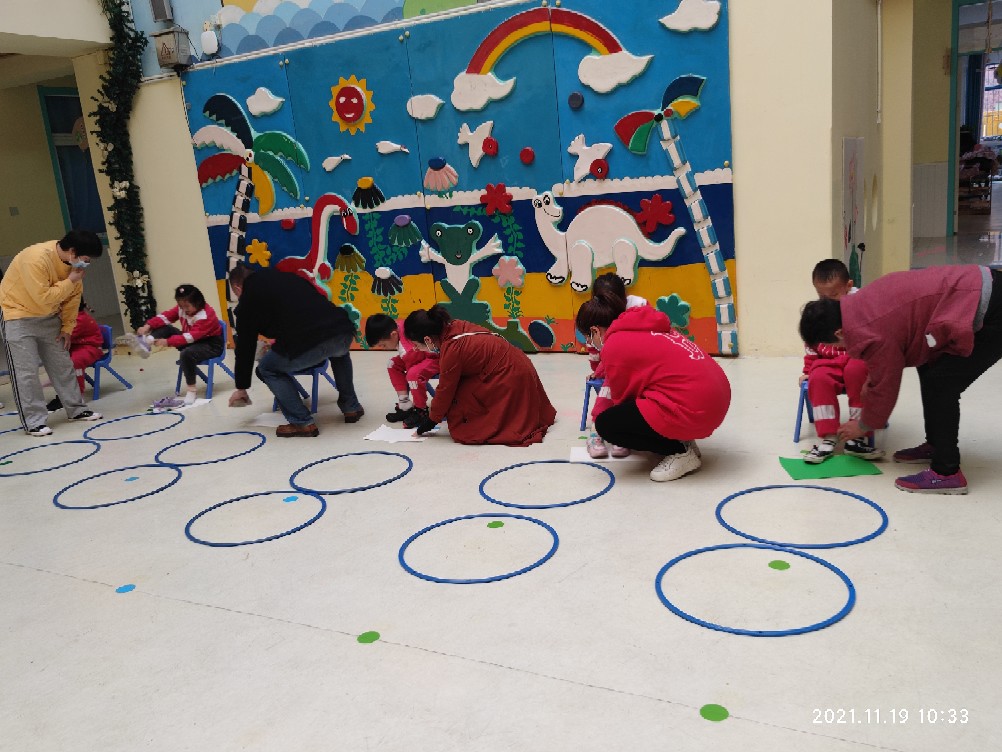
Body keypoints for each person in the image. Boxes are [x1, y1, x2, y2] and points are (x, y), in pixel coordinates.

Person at [798, 264, 1002, 495]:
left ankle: (947, 472)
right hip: (973, 291)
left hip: (990, 308)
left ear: (838, 333)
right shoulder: (857, 305)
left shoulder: (872, 331)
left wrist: (863, 425)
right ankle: (936, 445)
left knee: (941, 383)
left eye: (835, 345)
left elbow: (887, 384)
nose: (841, 348)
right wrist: (871, 381)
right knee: (929, 366)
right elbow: (888, 355)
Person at [576, 292, 731, 482]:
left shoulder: (613, 345)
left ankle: (679, 452)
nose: (591, 344)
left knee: (608, 425)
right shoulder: (646, 326)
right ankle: (682, 437)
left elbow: (623, 399)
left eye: (588, 338)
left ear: (595, 331)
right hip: (716, 397)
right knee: (649, 399)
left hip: (698, 409)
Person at [226, 263, 363, 437]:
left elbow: (245, 347)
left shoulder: (248, 298)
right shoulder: (288, 277)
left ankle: (301, 422)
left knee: (267, 368)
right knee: (339, 353)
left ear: (238, 287)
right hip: (342, 330)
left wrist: (241, 387)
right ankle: (351, 408)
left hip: (307, 342)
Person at [404, 305, 556, 446]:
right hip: (518, 364)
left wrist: (429, 422)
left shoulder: (452, 349)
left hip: (510, 375)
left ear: (428, 340)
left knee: (462, 413)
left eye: (417, 345)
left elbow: (445, 390)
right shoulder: (455, 325)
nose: (416, 350)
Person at [0, 230, 104, 436]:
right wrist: (70, 281)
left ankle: (77, 409)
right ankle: (34, 421)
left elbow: (73, 299)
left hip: (49, 317)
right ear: (72, 252)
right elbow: (43, 299)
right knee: (26, 372)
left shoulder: (73, 267)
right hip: (17, 316)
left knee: (62, 365)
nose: (87, 263)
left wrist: (67, 328)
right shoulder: (35, 259)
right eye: (86, 259)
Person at [800, 259, 882, 464]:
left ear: (848, 286)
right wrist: (808, 370)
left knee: (856, 371)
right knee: (819, 377)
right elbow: (811, 342)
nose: (828, 301)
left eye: (834, 295)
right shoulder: (822, 310)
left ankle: (857, 435)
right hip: (829, 360)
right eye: (822, 296)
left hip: (857, 357)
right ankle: (828, 436)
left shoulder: (862, 305)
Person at [584, 273, 648, 459]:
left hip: (641, 361)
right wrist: (598, 371)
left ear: (624, 299)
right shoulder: (595, 313)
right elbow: (595, 347)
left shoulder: (638, 307)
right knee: (609, 388)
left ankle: (621, 432)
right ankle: (596, 431)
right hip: (613, 364)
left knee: (630, 391)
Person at [129, 284, 223, 405]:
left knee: (186, 354)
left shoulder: (206, 315)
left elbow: (190, 337)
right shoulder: (182, 308)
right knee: (167, 328)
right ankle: (146, 342)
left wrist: (167, 342)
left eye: (187, 306)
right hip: (192, 341)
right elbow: (165, 317)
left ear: (197, 303)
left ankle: (191, 390)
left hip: (211, 345)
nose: (183, 309)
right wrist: (147, 326)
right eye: (180, 306)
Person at [364, 313, 439, 430]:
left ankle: (421, 411)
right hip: (421, 354)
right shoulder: (397, 326)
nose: (384, 348)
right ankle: (405, 405)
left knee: (413, 375)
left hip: (436, 358)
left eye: (383, 345)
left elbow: (412, 369)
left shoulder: (406, 350)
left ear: (393, 334)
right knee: (392, 364)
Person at [45, 298, 104, 413]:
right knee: (59, 359)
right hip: (77, 347)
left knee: (74, 362)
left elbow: (64, 337)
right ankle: (64, 392)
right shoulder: (70, 318)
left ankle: (77, 395)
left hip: (91, 348)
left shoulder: (79, 319)